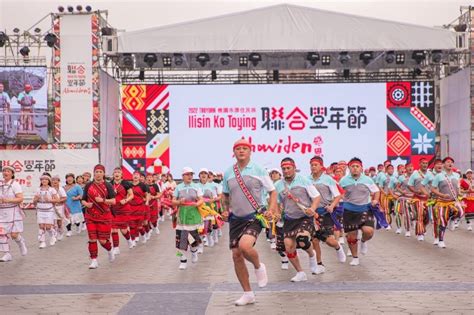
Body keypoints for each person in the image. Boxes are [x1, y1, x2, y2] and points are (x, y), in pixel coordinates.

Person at [222, 139, 277, 306]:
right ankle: (248, 293)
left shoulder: (258, 169)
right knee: (236, 255)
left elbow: (273, 191)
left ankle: (259, 266)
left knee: (245, 247)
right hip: (235, 219)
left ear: (250, 151)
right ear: (234, 151)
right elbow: (225, 195)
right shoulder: (228, 172)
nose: (241, 151)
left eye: (245, 148)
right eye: (238, 148)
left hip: (254, 216)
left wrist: (271, 209)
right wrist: (224, 209)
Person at [275, 157, 320, 282]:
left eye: (288, 168)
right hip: (289, 219)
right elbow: (277, 203)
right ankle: (300, 272)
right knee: (288, 247)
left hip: (304, 217)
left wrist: (313, 208)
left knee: (303, 239)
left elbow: (316, 197)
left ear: (294, 168)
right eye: (283, 168)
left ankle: (312, 255)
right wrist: (277, 213)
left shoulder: (304, 180)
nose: (286, 171)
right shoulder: (278, 185)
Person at [339, 157, 380, 266]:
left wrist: (375, 200)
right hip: (349, 211)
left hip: (365, 209)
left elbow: (376, 191)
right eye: (353, 166)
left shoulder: (367, 180)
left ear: (361, 168)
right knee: (351, 236)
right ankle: (355, 257)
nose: (355, 168)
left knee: (369, 232)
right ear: (349, 168)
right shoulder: (343, 181)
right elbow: (338, 193)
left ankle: (363, 241)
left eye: (357, 166)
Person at [308, 156, 346, 274]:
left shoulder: (328, 179)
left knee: (329, 240)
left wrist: (332, 205)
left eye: (315, 165)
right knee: (314, 240)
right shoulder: (306, 179)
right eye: (311, 165)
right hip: (313, 213)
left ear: (321, 166)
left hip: (325, 212)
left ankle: (337, 247)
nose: (313, 167)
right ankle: (319, 265)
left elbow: (338, 195)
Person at [81, 164, 116, 269]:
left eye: (101, 172)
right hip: (90, 216)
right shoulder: (88, 185)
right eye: (97, 172)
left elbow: (114, 201)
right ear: (94, 173)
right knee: (92, 238)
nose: (98, 174)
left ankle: (110, 250)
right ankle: (94, 260)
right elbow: (83, 199)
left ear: (104, 174)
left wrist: (103, 200)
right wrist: (86, 204)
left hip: (104, 216)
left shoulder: (108, 185)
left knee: (103, 241)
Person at [172, 167, 203, 270]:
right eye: (187, 174)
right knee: (180, 240)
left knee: (193, 241)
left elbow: (201, 200)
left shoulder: (196, 186)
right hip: (182, 216)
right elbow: (173, 201)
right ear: (183, 176)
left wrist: (196, 203)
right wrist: (179, 202)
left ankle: (194, 252)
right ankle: (183, 260)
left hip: (193, 216)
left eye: (191, 174)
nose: (190, 176)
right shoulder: (178, 187)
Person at [430, 157, 464, 248]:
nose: (450, 164)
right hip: (442, 202)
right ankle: (441, 240)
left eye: (452, 162)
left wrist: (459, 192)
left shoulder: (456, 175)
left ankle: (452, 220)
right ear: (444, 164)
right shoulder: (439, 176)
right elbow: (432, 189)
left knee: (461, 212)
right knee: (442, 221)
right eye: (448, 162)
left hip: (454, 201)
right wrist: (442, 195)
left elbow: (457, 186)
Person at [0, 166, 27, 262]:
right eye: (4, 171)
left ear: (12, 173)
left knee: (14, 235)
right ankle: (7, 254)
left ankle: (21, 243)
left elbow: (20, 198)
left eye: (7, 171)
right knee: (1, 234)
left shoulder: (15, 184)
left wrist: (8, 200)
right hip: (2, 213)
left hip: (14, 211)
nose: (5, 173)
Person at [110, 167, 134, 253]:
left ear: (121, 174)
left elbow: (131, 195)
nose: (116, 174)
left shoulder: (126, 183)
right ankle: (116, 247)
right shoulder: (110, 184)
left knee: (123, 230)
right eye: (115, 172)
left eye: (118, 172)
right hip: (113, 209)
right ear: (113, 174)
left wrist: (126, 200)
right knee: (113, 228)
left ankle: (129, 239)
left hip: (124, 209)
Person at [33, 174, 59, 248]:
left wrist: (50, 200)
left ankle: (53, 235)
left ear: (48, 181)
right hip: (40, 209)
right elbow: (34, 201)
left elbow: (57, 200)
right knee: (41, 226)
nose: (44, 181)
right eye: (42, 179)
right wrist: (36, 199)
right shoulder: (38, 189)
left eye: (46, 179)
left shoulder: (52, 189)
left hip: (49, 210)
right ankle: (42, 242)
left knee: (48, 227)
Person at [408, 158, 431, 241]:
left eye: (426, 163)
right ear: (419, 164)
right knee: (420, 215)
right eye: (423, 163)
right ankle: (420, 233)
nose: (425, 165)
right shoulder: (415, 174)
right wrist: (415, 190)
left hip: (428, 199)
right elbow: (409, 185)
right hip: (417, 198)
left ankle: (423, 227)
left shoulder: (430, 174)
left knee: (427, 218)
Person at [128, 171, 150, 246]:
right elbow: (127, 194)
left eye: (137, 175)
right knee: (131, 225)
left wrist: (147, 201)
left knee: (140, 226)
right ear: (132, 176)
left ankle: (143, 236)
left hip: (140, 207)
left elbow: (147, 195)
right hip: (131, 207)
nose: (135, 176)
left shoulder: (143, 185)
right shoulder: (129, 185)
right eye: (134, 175)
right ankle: (133, 240)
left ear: (140, 177)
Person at [51, 175, 67, 241]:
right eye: (53, 180)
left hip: (59, 207)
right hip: (51, 207)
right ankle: (54, 234)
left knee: (59, 221)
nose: (55, 181)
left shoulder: (61, 189)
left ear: (59, 181)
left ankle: (60, 233)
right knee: (52, 222)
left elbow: (65, 198)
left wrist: (58, 201)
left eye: (56, 180)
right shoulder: (49, 189)